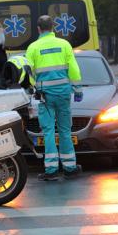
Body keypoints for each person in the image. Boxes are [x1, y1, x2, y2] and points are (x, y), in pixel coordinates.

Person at [26, 15, 83, 181]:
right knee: (65, 130)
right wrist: (77, 89)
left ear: (38, 28)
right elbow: (73, 69)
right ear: (53, 28)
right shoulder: (64, 45)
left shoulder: (33, 48)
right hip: (64, 94)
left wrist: (33, 88)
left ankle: (51, 170)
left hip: (45, 96)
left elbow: (29, 72)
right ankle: (70, 168)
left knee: (49, 131)